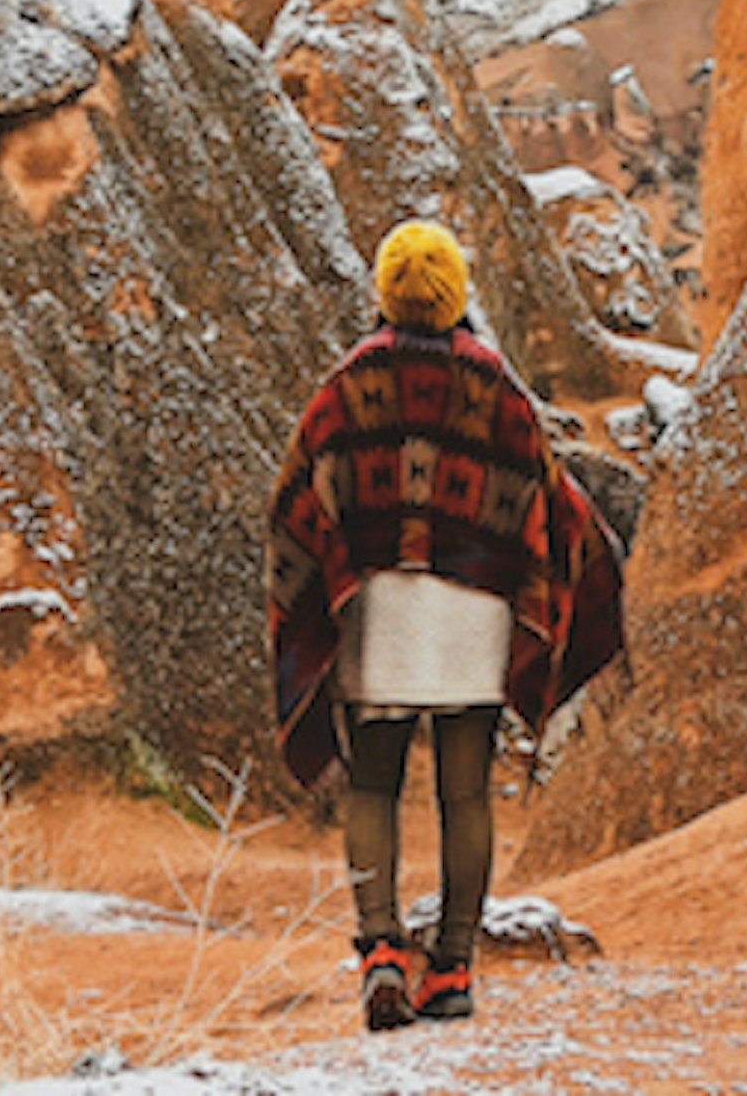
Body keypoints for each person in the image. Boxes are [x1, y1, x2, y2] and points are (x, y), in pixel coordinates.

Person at [268, 219, 625, 1031]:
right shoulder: (494, 383)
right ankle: (454, 965)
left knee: (374, 780)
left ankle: (382, 951)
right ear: (455, 291)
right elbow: (547, 491)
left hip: (382, 607)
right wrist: (594, 563)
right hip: (476, 602)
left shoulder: (351, 383)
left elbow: (300, 493)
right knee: (466, 790)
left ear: (386, 290)